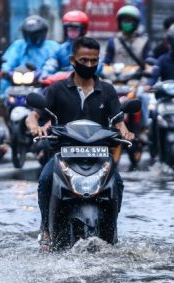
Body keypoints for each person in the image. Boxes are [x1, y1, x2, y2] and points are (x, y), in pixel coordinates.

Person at [25, 37, 133, 251]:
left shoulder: (108, 90)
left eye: (94, 61)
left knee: (118, 183)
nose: (90, 65)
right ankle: (46, 228)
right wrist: (34, 127)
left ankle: (113, 231)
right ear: (73, 60)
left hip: (100, 156)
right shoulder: (56, 90)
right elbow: (33, 116)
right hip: (63, 156)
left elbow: (119, 121)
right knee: (45, 180)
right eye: (84, 60)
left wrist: (126, 131)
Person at [104, 5, 151, 136]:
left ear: (135, 23)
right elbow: (106, 61)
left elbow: (149, 62)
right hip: (115, 80)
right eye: (124, 21)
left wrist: (148, 72)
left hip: (136, 81)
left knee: (144, 97)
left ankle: (143, 129)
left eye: (130, 21)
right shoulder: (113, 41)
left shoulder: (144, 41)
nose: (126, 24)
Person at [0, 15, 59, 95]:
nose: (32, 37)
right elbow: (7, 62)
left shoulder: (52, 46)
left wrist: (45, 75)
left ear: (43, 33)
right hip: (18, 86)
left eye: (35, 34)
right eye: (29, 34)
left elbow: (57, 65)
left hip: (44, 87)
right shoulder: (18, 45)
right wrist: (5, 71)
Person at [41, 10, 90, 77]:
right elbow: (51, 63)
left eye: (75, 29)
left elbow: (96, 67)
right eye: (69, 29)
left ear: (83, 30)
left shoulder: (91, 49)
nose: (72, 32)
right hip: (63, 84)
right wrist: (44, 74)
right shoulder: (61, 49)